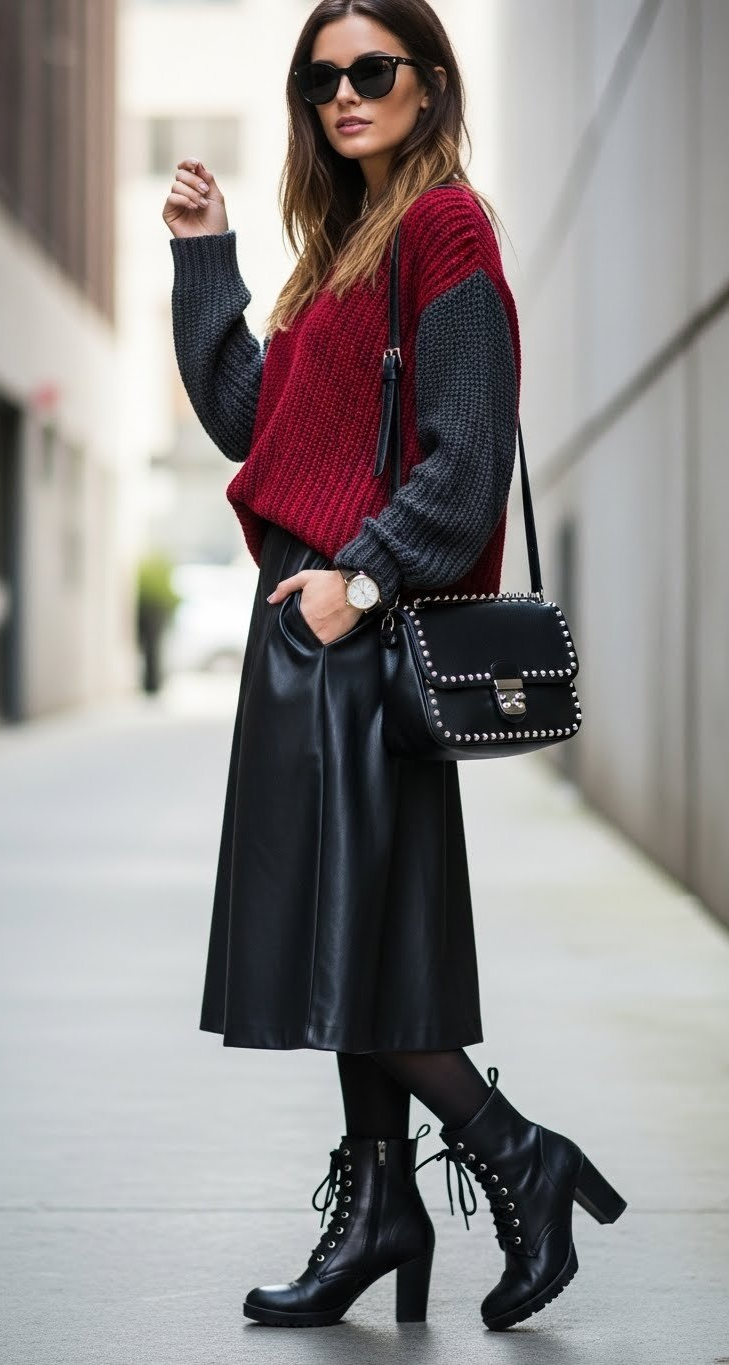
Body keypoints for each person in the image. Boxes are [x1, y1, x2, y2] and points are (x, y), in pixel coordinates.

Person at [163, 0, 626, 1335]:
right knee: (346, 942)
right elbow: (257, 422)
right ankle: (382, 1208)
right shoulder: (340, 249)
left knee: (358, 938)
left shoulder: (443, 227)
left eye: (371, 71)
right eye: (322, 80)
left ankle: (514, 1153)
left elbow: (469, 449)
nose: (345, 94)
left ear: (429, 81)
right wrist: (207, 263)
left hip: (359, 630)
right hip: (312, 632)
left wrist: (358, 580)